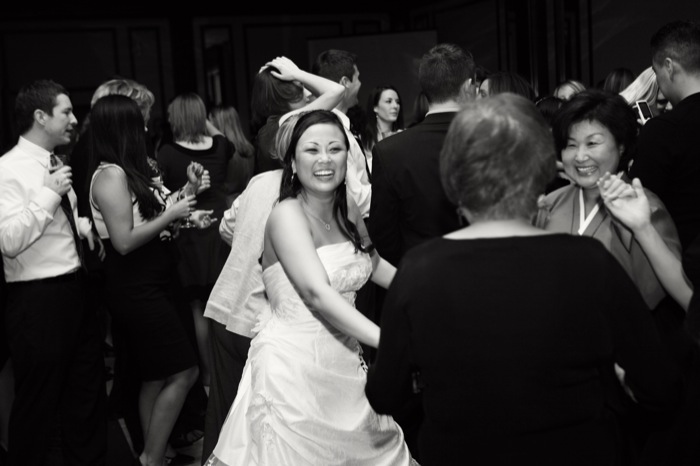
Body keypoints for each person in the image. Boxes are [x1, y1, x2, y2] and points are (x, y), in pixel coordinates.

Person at [365, 92, 682, 465]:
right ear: (541, 172)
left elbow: (385, 394)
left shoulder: (420, 269)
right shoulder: (588, 261)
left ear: (454, 180)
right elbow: (660, 386)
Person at [207, 110, 415, 465]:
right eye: (312, 150)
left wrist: (425, 291)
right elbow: (318, 294)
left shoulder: (347, 207)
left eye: (335, 149)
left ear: (348, 157)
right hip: (293, 374)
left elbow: (373, 264)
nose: (325, 159)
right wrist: (392, 341)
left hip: (345, 366)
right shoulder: (285, 215)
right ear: (292, 161)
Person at [368, 42, 476, 460]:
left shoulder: (391, 151)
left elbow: (384, 235)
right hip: (486, 285)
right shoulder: (490, 140)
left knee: (425, 403)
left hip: (418, 290)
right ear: (469, 86)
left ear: (424, 91)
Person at [87, 94, 207, 466]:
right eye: (136, 121)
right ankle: (151, 457)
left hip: (155, 276)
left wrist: (187, 194)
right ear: (120, 128)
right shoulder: (109, 176)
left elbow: (152, 217)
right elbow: (123, 242)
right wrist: (171, 214)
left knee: (156, 376)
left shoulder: (130, 170)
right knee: (185, 371)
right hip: (135, 284)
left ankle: (158, 451)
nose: (143, 127)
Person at [0, 79, 108, 465]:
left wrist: (81, 228)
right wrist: (48, 194)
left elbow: (55, 222)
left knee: (86, 396)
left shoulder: (54, 163)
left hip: (76, 291)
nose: (74, 120)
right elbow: (8, 240)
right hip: (38, 300)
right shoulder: (7, 170)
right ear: (40, 116)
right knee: (38, 404)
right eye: (66, 111)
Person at [200, 115, 297, 463]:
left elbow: (227, 227)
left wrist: (248, 241)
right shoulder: (306, 195)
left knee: (223, 421)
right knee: (261, 430)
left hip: (228, 304)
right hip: (260, 321)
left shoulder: (259, 181)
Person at [157, 92, 232, 391]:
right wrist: (203, 121)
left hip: (189, 232)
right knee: (223, 304)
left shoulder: (167, 153)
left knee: (198, 307)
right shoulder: (220, 146)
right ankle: (229, 373)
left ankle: (209, 376)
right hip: (220, 230)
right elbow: (222, 137)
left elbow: (163, 198)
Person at [628, 20, 700, 256]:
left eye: (656, 71)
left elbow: (641, 202)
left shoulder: (665, 130)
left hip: (680, 261)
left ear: (669, 67)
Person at [250, 56, 345, 176]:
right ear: (283, 95)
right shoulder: (285, 122)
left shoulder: (272, 128)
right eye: (300, 89)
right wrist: (298, 73)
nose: (308, 94)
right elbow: (337, 91)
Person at [208, 104, 255, 205]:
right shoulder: (249, 149)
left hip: (226, 206)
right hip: (246, 202)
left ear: (217, 123)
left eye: (210, 122)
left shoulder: (222, 153)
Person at [361, 85, 405, 157]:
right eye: (389, 101)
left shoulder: (404, 135)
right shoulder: (364, 139)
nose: (395, 106)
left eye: (397, 102)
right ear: (375, 107)